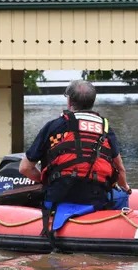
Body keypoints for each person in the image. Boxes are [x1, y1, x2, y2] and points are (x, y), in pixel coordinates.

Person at [19, 79, 131, 209]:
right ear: (92, 101)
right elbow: (120, 169)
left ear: (69, 101)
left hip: (57, 197)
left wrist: (46, 181)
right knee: (122, 196)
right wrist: (126, 188)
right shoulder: (105, 129)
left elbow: (24, 168)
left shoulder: (53, 126)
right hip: (96, 199)